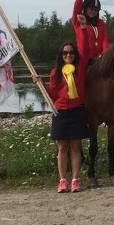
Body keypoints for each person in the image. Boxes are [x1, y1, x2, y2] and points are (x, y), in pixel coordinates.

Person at [33, 15, 90, 193]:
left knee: (75, 147)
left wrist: (82, 28)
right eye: (65, 53)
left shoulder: (80, 70)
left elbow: (85, 47)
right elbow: (52, 95)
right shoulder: (54, 73)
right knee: (62, 148)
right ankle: (62, 180)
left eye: (71, 53)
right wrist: (40, 84)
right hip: (60, 113)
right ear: (61, 55)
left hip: (77, 111)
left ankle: (75, 180)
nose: (68, 55)